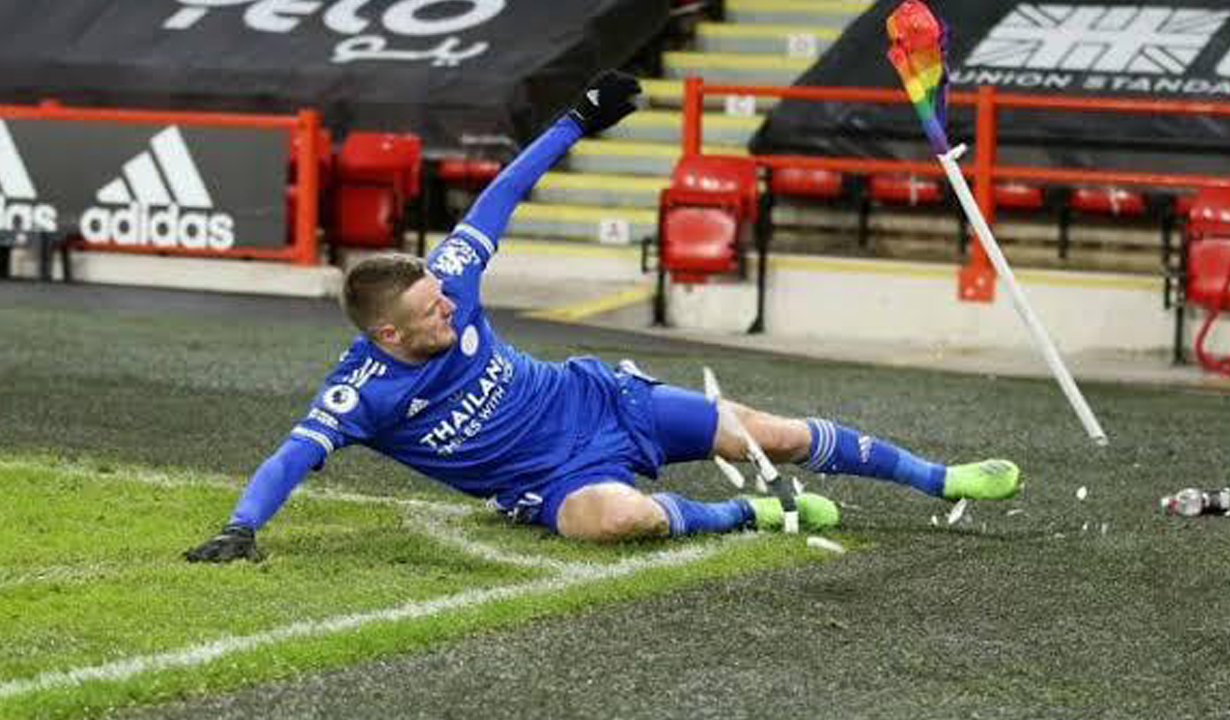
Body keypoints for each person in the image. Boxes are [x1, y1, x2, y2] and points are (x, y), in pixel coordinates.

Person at [185, 71, 1021, 563]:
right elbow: (290, 457)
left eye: (443, 294)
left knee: (768, 434)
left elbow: (503, 192)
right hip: (548, 484)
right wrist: (241, 526)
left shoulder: (450, 280)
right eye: (431, 310)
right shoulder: (360, 393)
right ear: (387, 336)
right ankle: (754, 514)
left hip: (601, 401)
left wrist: (577, 120)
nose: (448, 303)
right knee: (614, 520)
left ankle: (940, 479)